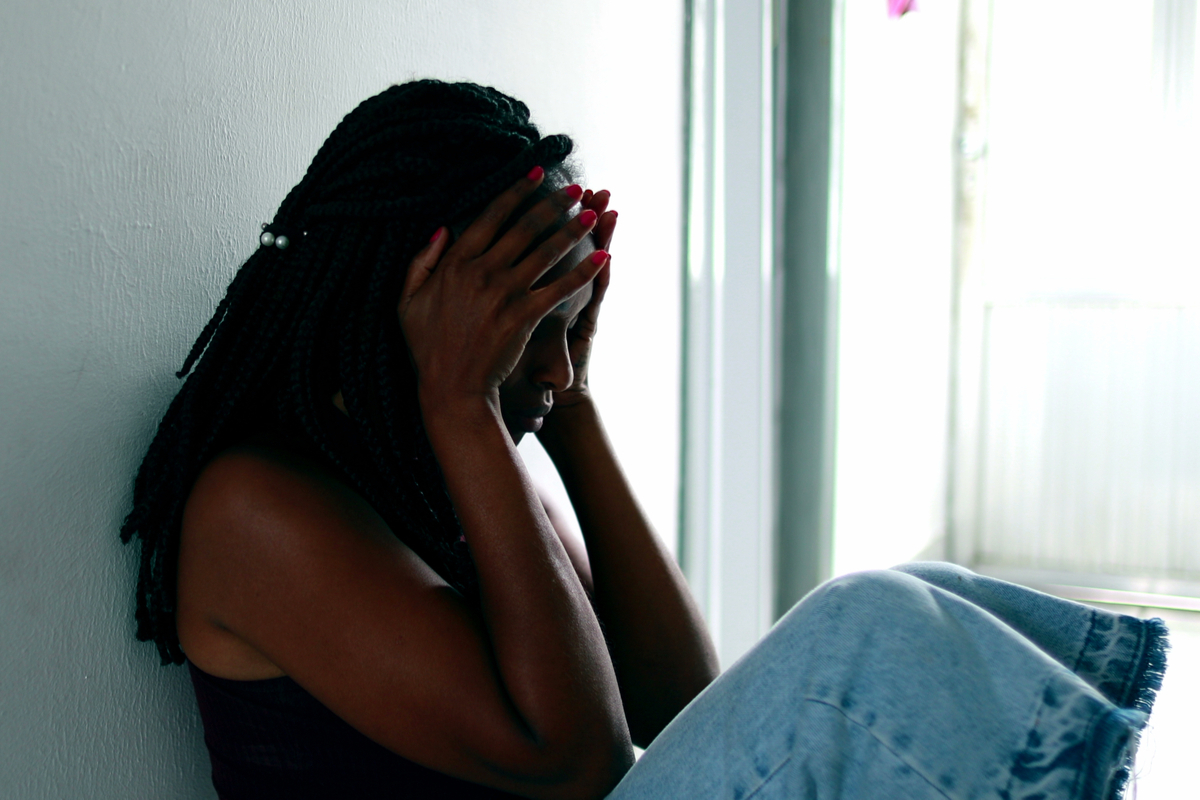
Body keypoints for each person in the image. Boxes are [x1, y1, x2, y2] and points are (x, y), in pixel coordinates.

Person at [121, 80, 1168, 800]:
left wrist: (567, 407)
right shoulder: (254, 505)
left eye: (568, 333)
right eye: (531, 334)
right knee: (862, 635)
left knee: (926, 595)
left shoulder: (462, 466)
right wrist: (460, 404)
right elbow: (575, 763)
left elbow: (675, 703)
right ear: (413, 304)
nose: (556, 369)